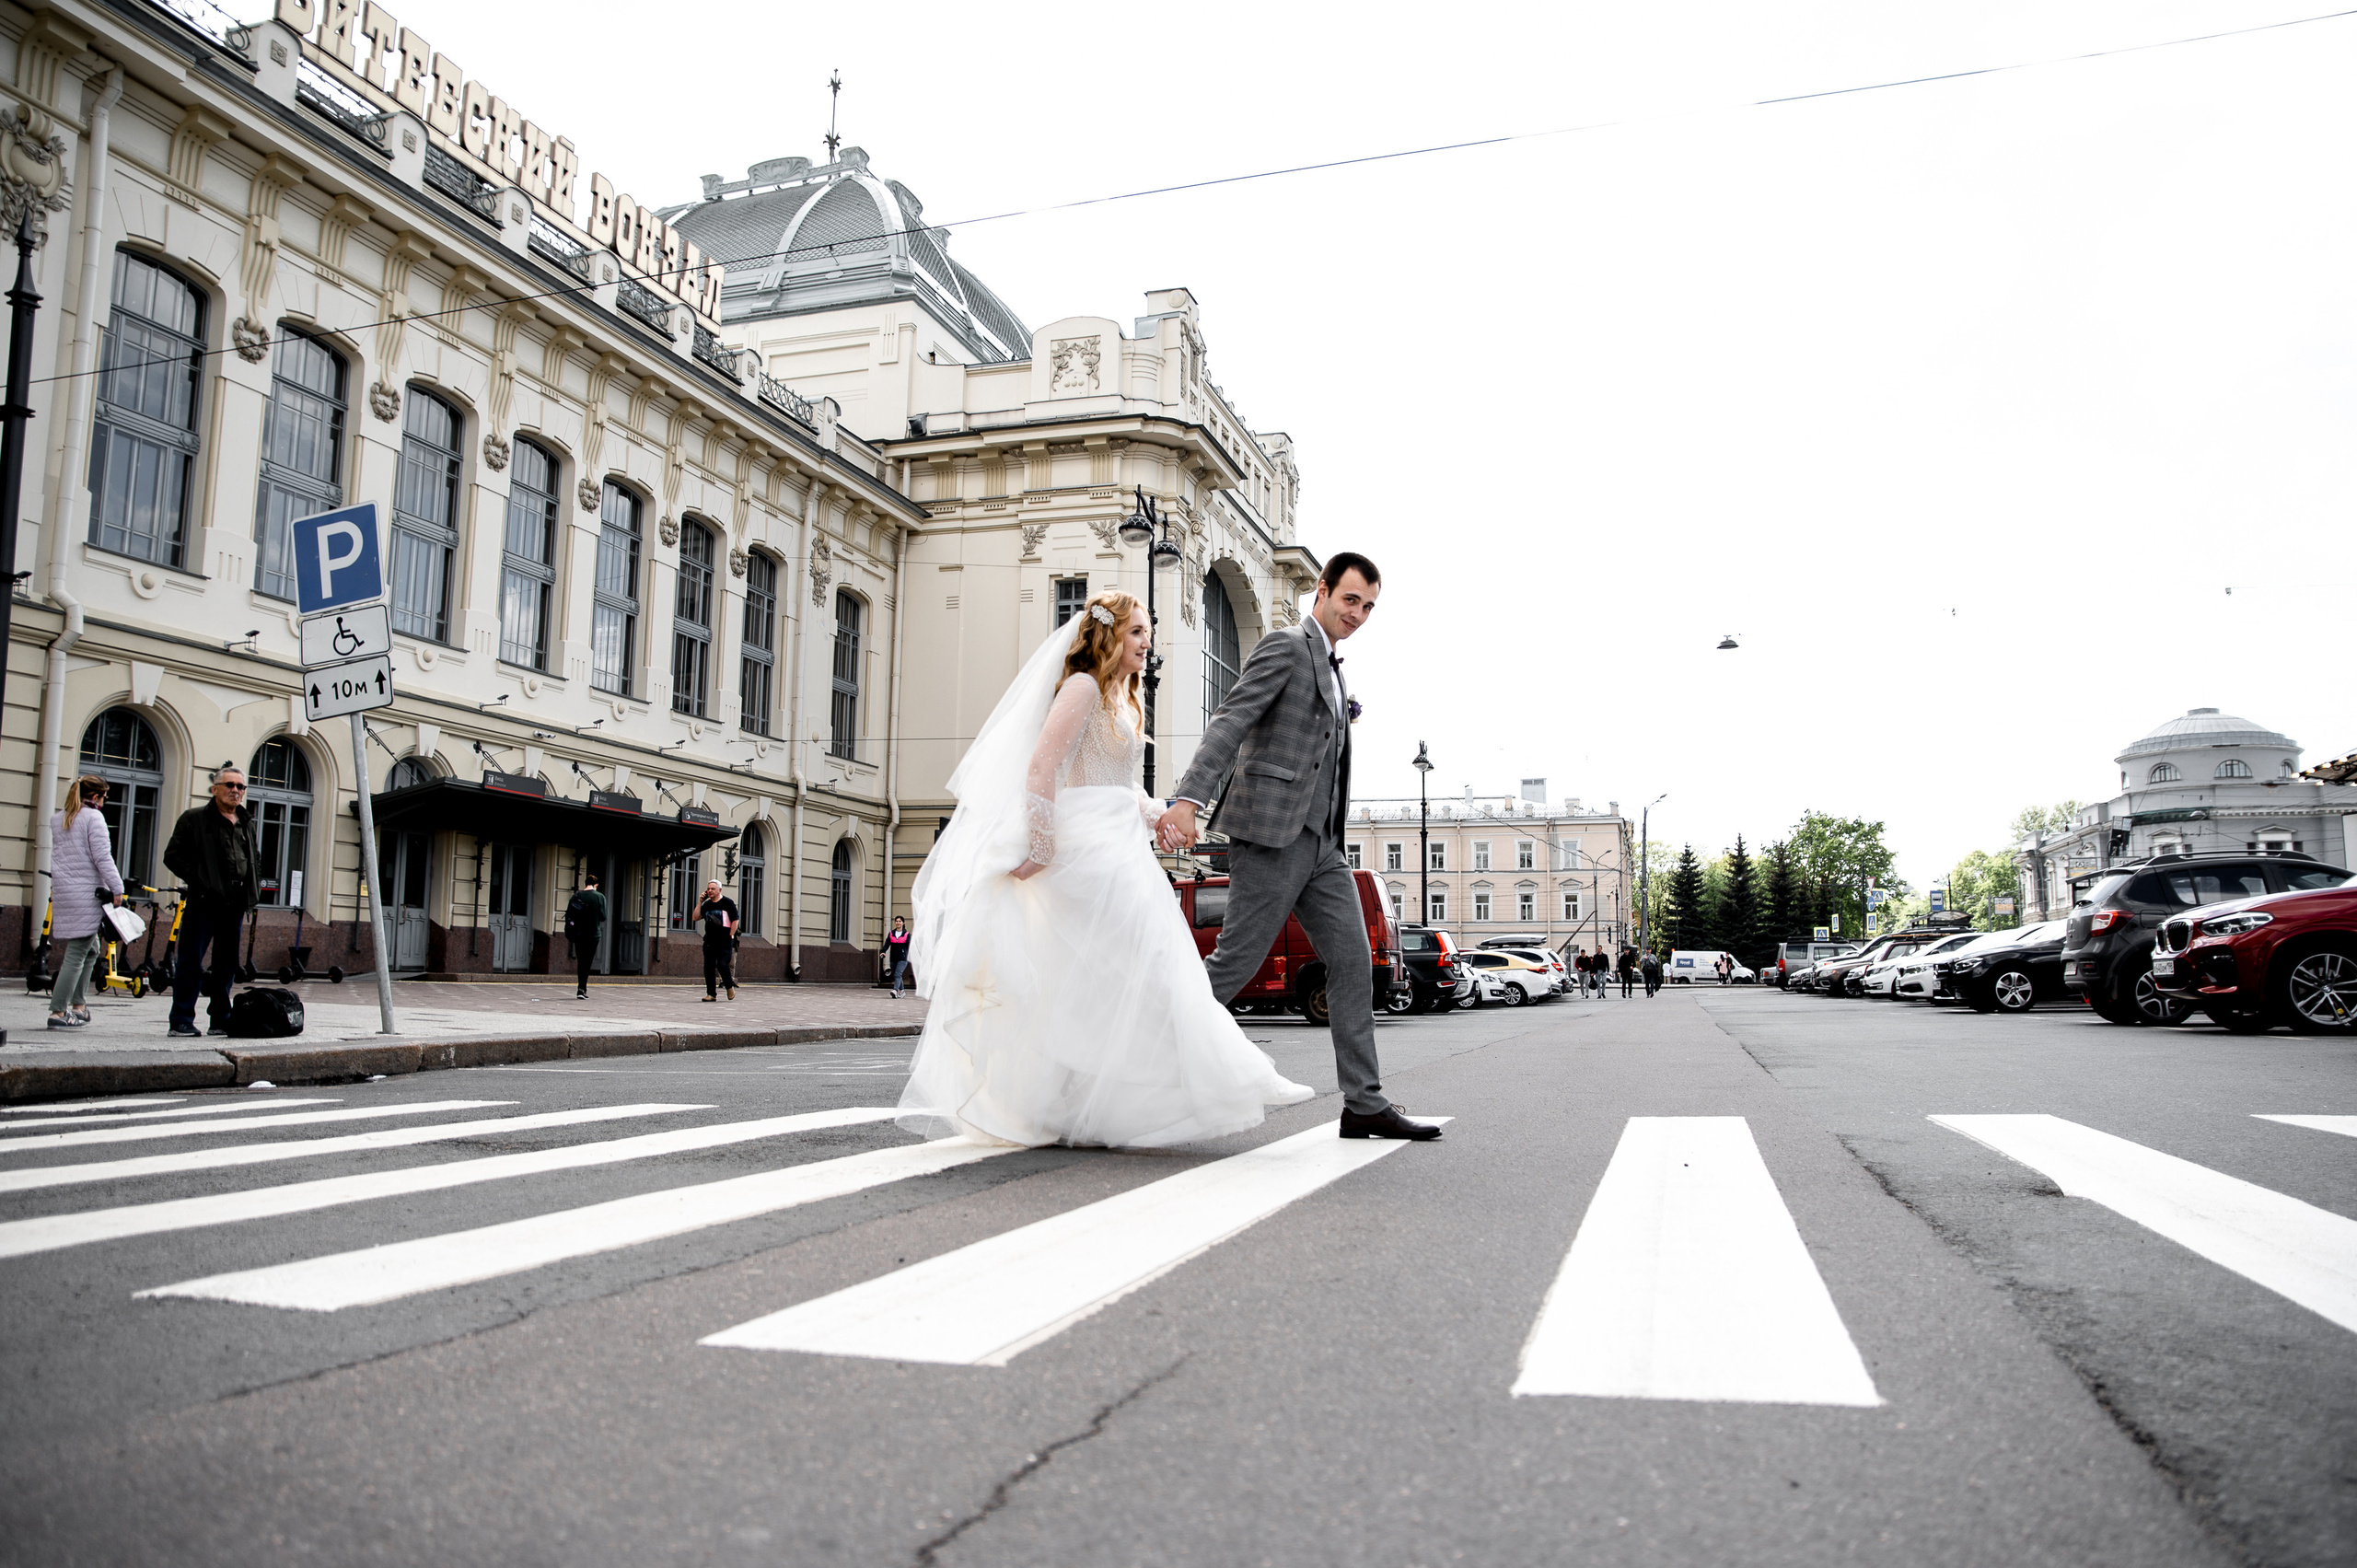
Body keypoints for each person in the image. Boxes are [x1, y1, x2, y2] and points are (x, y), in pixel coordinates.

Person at [900, 590, 1312, 1148]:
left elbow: (1123, 788)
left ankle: (1126, 1097)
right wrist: (1042, 848)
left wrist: (1162, 814)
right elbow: (1044, 766)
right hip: (1086, 850)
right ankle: (1230, 1074)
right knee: (1137, 968)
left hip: (1121, 845)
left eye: (1150, 633)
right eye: (1137, 632)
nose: (1148, 643)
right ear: (1108, 634)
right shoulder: (1082, 687)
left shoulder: (1123, 697)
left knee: (1125, 975)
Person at [1156, 553, 1436, 1144]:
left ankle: (1364, 1103)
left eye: (1368, 607)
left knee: (1354, 960)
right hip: (1271, 835)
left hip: (1323, 847)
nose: (1358, 614)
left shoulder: (1335, 671)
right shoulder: (1287, 647)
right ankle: (1139, 1058)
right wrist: (1189, 800)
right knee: (1233, 965)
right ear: (1323, 590)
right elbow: (1231, 720)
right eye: (1350, 600)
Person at [163, 762, 260, 1037]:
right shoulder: (195, 819)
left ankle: (220, 1018)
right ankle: (181, 1019)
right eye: (229, 785)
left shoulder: (246, 822)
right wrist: (202, 879)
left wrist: (254, 885)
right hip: (204, 901)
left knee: (227, 964)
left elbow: (254, 858)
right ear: (214, 789)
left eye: (240, 786)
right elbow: (172, 856)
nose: (235, 791)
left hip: (236, 902)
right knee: (191, 961)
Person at [47, 774, 124, 1030]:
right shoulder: (94, 818)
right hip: (88, 894)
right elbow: (102, 857)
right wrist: (117, 888)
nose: (103, 803)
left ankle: (79, 1005)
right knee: (77, 953)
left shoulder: (59, 818)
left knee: (90, 949)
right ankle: (59, 1012)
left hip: (67, 893)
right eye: (103, 798)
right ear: (95, 797)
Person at [696, 878, 740, 1001]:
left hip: (724, 940)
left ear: (719, 890)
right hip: (709, 941)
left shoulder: (727, 903)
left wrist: (730, 935)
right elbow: (695, 917)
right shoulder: (707, 904)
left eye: (713, 889)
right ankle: (711, 994)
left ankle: (729, 986)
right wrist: (700, 902)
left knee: (722, 964)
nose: (710, 891)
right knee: (708, 967)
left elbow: (735, 920)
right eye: (708, 889)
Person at [564, 871, 607, 999]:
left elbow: (570, 914)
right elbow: (603, 917)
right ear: (596, 885)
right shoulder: (600, 897)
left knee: (581, 961)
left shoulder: (576, 895)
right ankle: (583, 988)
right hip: (593, 935)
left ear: (585, 883)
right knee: (587, 962)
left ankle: (580, 989)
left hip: (579, 934)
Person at [884, 916, 911, 997]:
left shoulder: (906, 934)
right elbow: (887, 944)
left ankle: (895, 990)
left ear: (903, 923)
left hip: (903, 958)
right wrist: (883, 952)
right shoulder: (891, 933)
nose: (898, 923)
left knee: (897, 974)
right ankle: (902, 990)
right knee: (897, 975)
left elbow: (910, 946)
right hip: (893, 958)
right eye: (896, 921)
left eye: (900, 921)